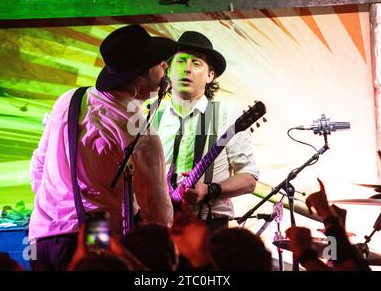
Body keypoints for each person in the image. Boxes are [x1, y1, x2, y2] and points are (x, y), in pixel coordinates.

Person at [28, 24, 178, 271]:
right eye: (160, 62)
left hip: (42, 236)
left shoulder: (69, 99)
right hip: (95, 239)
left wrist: (57, 209)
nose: (165, 67)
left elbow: (38, 168)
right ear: (142, 73)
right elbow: (158, 216)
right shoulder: (139, 131)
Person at [152, 31, 259, 232]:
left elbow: (249, 179)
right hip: (161, 228)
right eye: (181, 61)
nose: (187, 69)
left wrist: (210, 190)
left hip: (210, 228)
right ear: (168, 70)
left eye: (196, 63)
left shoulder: (227, 116)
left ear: (211, 75)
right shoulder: (153, 115)